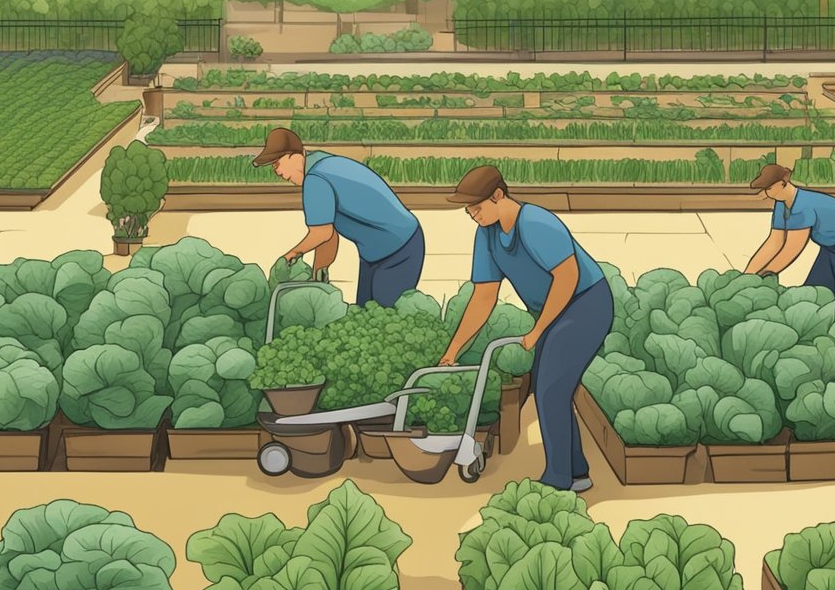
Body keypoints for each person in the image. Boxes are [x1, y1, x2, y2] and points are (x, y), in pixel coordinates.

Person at [439, 165, 611, 493]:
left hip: (586, 305)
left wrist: (537, 331)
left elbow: (567, 277)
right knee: (551, 391)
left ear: (498, 195)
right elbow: (484, 296)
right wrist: (453, 349)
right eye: (467, 209)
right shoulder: (487, 235)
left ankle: (558, 482)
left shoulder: (535, 223)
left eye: (476, 206)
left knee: (550, 391)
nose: (471, 213)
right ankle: (577, 473)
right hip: (553, 312)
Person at [252, 127, 425, 307]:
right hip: (375, 253)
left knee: (384, 319)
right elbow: (329, 234)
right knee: (365, 314)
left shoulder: (316, 179)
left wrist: (291, 254)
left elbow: (321, 233)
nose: (276, 171)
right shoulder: (322, 163)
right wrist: (319, 272)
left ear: (293, 155)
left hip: (399, 248)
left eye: (276, 163)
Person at [743, 162, 835, 315]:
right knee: (815, 292)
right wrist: (748, 275)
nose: (766, 193)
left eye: (769, 188)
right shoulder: (781, 204)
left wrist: (767, 272)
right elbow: (774, 242)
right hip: (830, 245)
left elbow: (792, 248)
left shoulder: (802, 207)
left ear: (782, 183)